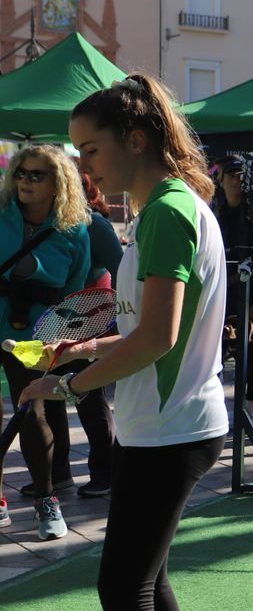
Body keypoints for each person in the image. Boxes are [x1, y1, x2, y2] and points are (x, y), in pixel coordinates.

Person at [25, 74, 229, 611]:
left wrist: (67, 386)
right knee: (148, 581)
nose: (83, 167)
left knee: (125, 589)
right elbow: (147, 327)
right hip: (171, 424)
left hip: (170, 430)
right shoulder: (167, 207)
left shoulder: (169, 211)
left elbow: (158, 338)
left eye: (90, 150)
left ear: (135, 140)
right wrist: (85, 350)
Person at [0, 145, 91, 537]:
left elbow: (74, 291)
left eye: (37, 175)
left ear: (59, 182)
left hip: (36, 334)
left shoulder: (75, 229)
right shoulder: (1, 213)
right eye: (21, 172)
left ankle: (46, 500)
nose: (25, 181)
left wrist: (62, 340)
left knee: (31, 413)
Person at [67, 168, 123, 499]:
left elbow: (122, 270)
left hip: (89, 320)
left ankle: (106, 471)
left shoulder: (95, 225)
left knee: (89, 394)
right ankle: (57, 474)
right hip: (55, 320)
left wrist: (117, 317)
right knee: (53, 397)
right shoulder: (49, 222)